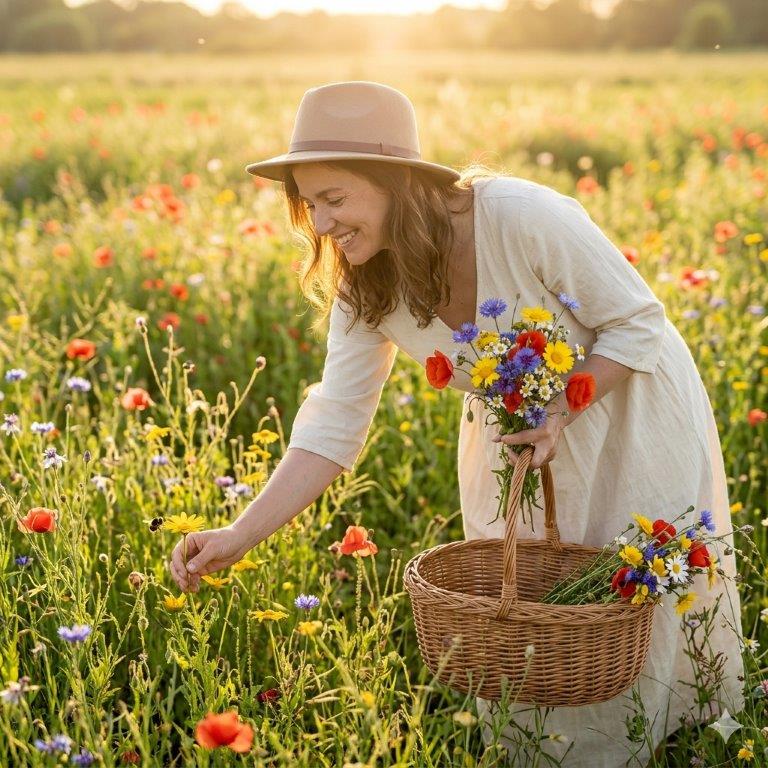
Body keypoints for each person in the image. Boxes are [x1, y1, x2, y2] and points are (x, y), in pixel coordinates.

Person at [168, 81, 746, 767]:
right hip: (518, 450)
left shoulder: (522, 216)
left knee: (630, 603)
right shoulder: (366, 285)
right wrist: (239, 533)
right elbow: (333, 425)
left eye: (334, 199)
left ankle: (675, 750)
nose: (319, 225)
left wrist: (562, 408)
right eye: (307, 204)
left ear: (393, 183)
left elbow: (636, 320)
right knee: (533, 624)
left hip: (626, 405)